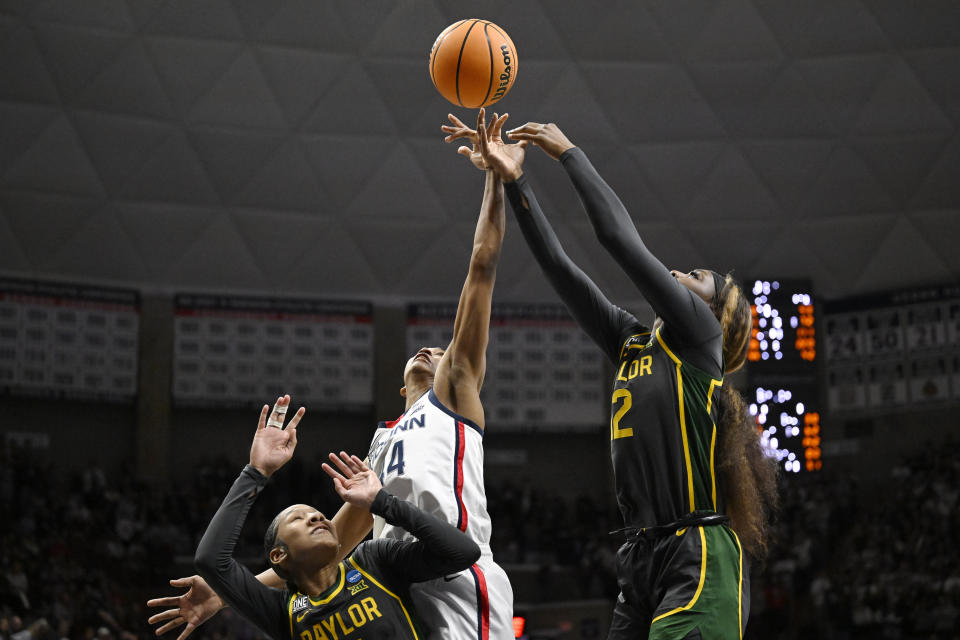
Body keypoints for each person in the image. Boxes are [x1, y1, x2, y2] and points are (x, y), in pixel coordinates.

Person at [149, 111, 515, 640]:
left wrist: (495, 179)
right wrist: (233, 588)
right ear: (398, 384)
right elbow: (335, 545)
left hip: (457, 572)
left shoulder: (453, 394)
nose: (431, 350)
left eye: (442, 349)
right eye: (427, 348)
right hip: (402, 582)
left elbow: (482, 264)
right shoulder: (378, 448)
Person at [443, 115, 778, 639]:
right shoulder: (634, 344)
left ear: (715, 314)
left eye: (695, 278)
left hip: (698, 554)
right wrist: (515, 182)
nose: (676, 274)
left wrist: (570, 153)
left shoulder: (698, 340)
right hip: (640, 555)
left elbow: (619, 240)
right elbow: (560, 268)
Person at [189, 394, 480, 640]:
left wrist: (383, 502)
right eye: (298, 519)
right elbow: (211, 560)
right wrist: (256, 472)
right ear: (278, 555)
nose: (318, 518)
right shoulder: (281, 612)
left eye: (317, 515)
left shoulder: (372, 562)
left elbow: (463, 552)